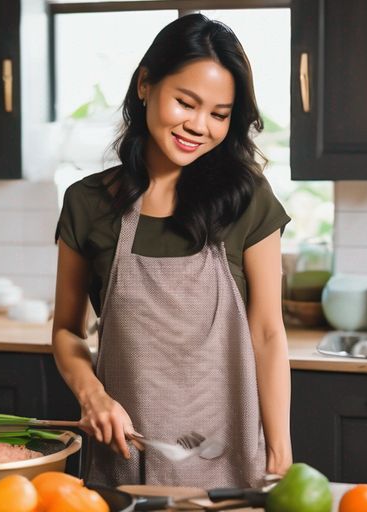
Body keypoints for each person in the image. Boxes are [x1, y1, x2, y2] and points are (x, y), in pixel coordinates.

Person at [51, 13, 293, 488]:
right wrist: (92, 396)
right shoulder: (88, 204)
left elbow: (267, 332)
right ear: (145, 84)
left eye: (220, 114)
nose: (199, 126)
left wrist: (279, 448)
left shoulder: (247, 199)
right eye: (186, 103)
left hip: (232, 459)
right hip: (127, 458)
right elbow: (66, 330)